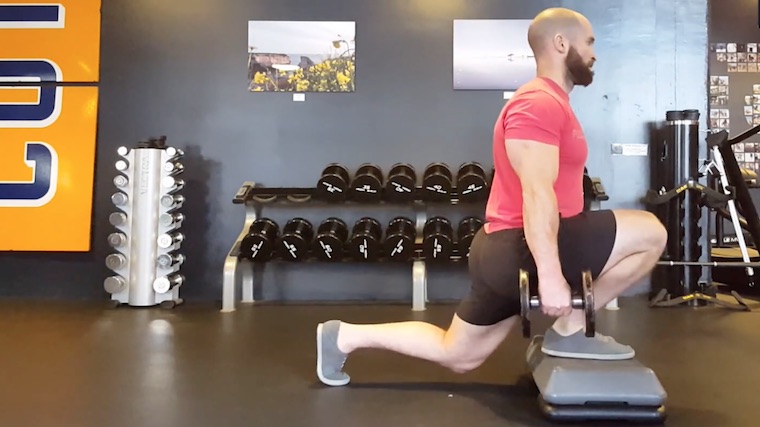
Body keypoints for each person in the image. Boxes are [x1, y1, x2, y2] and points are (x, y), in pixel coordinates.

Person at [315, 7, 668, 387]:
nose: (595, 52)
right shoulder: (538, 103)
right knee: (650, 231)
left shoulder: (550, 102)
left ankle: (343, 336)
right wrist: (549, 277)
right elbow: (536, 192)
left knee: (460, 354)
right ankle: (571, 327)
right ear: (561, 43)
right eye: (590, 42)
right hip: (522, 246)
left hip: (504, 248)